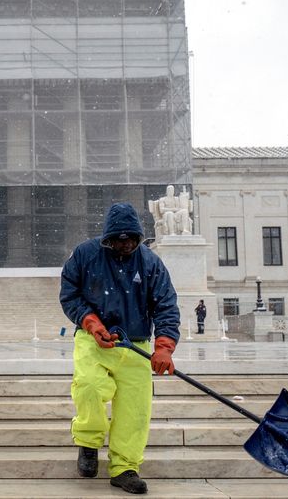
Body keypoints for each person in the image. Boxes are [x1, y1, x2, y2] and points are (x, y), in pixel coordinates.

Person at [60, 202, 180, 495]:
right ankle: (88, 442)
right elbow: (70, 293)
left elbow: (166, 305)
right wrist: (90, 321)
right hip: (94, 339)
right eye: (118, 238)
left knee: (135, 410)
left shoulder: (150, 263)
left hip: (135, 344)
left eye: (130, 238)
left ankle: (125, 467)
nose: (124, 244)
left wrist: (164, 347)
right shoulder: (86, 255)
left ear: (138, 237)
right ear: (108, 237)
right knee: (89, 386)